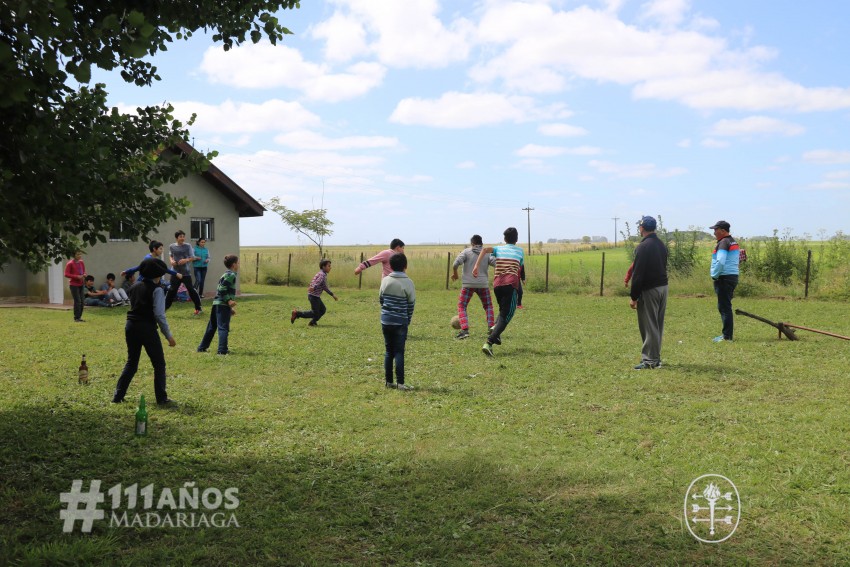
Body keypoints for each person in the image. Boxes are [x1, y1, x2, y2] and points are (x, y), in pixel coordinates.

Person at [112, 258, 177, 407]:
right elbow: (159, 315)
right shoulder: (158, 290)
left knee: (132, 363)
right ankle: (161, 398)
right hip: (147, 328)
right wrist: (168, 336)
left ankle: (118, 396)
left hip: (130, 326)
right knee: (159, 364)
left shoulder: (134, 286)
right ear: (158, 274)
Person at [472, 227, 525, 357]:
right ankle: (489, 342)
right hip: (510, 284)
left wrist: (476, 267)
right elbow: (520, 267)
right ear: (516, 239)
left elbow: (484, 250)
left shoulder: (499, 249)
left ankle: (495, 329)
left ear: (504, 239)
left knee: (502, 311)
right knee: (507, 315)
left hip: (497, 285)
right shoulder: (520, 251)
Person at [629, 216, 669, 370]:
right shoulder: (661, 244)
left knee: (649, 325)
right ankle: (655, 358)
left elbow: (638, 274)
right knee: (657, 324)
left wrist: (634, 297)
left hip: (650, 290)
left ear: (642, 228)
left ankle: (650, 361)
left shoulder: (643, 247)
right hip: (663, 287)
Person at [379, 253, 415, 391]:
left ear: (391, 266)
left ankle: (389, 382)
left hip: (386, 320)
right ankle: (400, 383)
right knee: (399, 352)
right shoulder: (409, 282)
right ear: (405, 266)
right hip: (401, 321)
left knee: (389, 351)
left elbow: (381, 299)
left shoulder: (385, 280)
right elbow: (411, 305)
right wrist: (407, 320)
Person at [451, 235, 496, 339]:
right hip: (483, 284)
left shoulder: (466, 252)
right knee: (488, 305)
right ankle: (491, 328)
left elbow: (455, 264)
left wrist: (455, 274)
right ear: (482, 243)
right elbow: (496, 263)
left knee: (462, 305)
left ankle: (465, 330)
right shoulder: (487, 253)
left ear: (472, 244)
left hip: (468, 284)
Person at [198, 255, 240, 356]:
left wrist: (230, 308)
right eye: (238, 262)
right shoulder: (231, 275)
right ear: (234, 265)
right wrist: (229, 301)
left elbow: (221, 288)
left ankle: (202, 348)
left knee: (212, 327)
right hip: (222, 304)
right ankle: (222, 350)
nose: (239, 264)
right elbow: (222, 289)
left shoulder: (226, 274)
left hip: (217, 303)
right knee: (223, 327)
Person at [710, 220, 741, 342]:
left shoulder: (723, 242)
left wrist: (714, 275)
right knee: (725, 306)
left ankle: (727, 336)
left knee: (724, 307)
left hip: (724, 277)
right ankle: (727, 335)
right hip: (732, 276)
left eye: (715, 230)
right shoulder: (733, 241)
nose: (714, 233)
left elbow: (721, 261)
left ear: (722, 231)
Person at [291, 259, 338, 326]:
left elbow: (324, 287)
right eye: (329, 266)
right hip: (313, 296)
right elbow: (317, 282)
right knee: (315, 313)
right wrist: (313, 287)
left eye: (330, 266)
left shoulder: (321, 273)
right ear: (323, 267)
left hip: (315, 296)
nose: (330, 267)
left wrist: (332, 294)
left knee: (322, 310)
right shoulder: (322, 275)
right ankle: (297, 314)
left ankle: (313, 322)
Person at [167, 230, 203, 313]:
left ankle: (198, 308)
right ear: (176, 238)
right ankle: (164, 308)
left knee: (191, 290)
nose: (182, 238)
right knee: (172, 290)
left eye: (183, 236)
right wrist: (171, 261)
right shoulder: (172, 246)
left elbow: (193, 257)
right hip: (175, 272)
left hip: (186, 273)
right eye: (180, 236)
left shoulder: (188, 246)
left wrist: (185, 260)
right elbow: (171, 255)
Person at [64, 250, 86, 322]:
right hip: (74, 285)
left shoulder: (81, 262)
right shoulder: (70, 263)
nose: (79, 256)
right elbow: (66, 274)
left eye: (80, 254)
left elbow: (84, 271)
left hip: (81, 284)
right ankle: (76, 318)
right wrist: (76, 276)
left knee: (82, 301)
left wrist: (84, 274)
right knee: (78, 301)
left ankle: (79, 317)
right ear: (74, 255)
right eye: (77, 254)